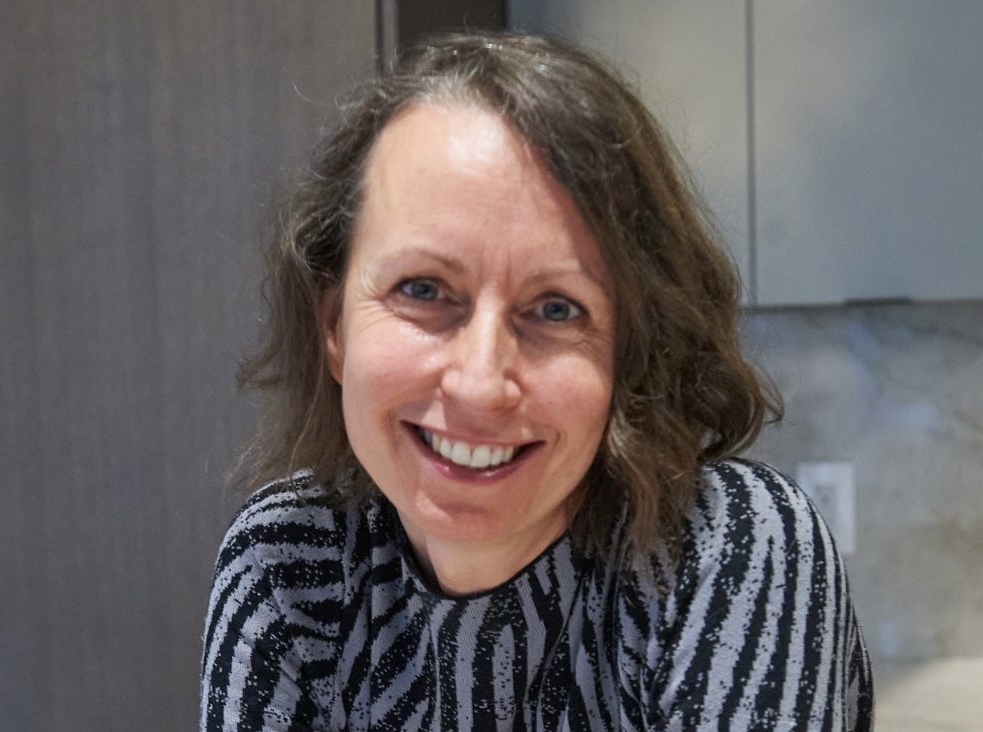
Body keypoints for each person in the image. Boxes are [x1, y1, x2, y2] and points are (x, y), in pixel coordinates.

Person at [201, 32, 873, 731]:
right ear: (334, 325)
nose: (480, 383)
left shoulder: (730, 551)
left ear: (630, 351)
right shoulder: (290, 565)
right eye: (424, 288)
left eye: (556, 308)